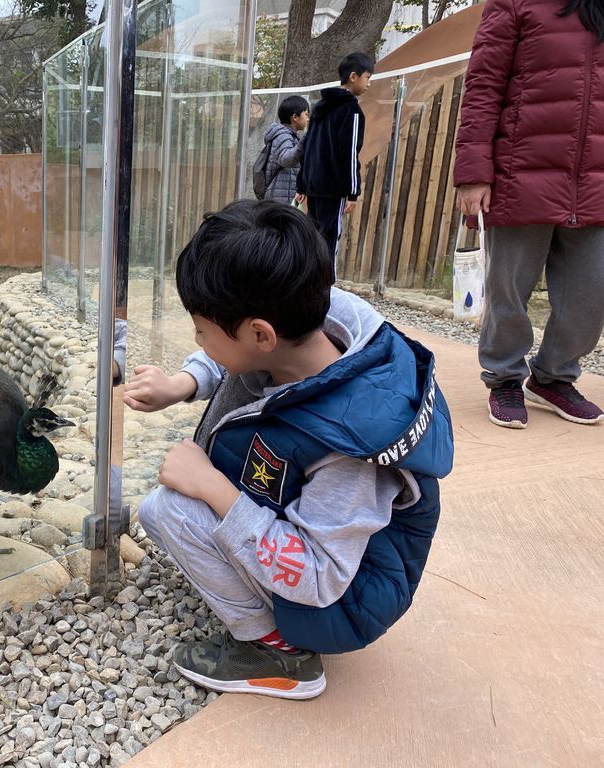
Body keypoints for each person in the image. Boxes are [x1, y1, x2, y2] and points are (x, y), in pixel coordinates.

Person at [123, 200, 453, 700]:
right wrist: (183, 383)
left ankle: (281, 654)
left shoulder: (347, 450)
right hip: (319, 536)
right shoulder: (318, 319)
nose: (198, 340)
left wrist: (213, 489)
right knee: (190, 495)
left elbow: (319, 577)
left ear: (260, 334)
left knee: (167, 509)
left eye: (201, 332)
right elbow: (234, 358)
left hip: (341, 598)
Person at [454, 0, 604, 428]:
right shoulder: (516, 3)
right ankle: (503, 378)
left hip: (595, 179)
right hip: (522, 170)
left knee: (591, 293)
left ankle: (553, 378)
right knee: (509, 289)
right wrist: (473, 172)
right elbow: (483, 85)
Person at [297, 52, 373, 260]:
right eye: (367, 77)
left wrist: (302, 185)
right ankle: (324, 286)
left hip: (313, 186)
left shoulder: (320, 108)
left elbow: (308, 148)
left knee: (313, 238)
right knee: (329, 240)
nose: (369, 83)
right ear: (354, 76)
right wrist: (352, 192)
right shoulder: (352, 110)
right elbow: (349, 152)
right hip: (333, 188)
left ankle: (309, 284)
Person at [253, 95, 310, 205]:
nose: (308, 118)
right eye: (306, 114)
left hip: (282, 196)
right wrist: (305, 140)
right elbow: (286, 159)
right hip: (280, 199)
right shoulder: (283, 136)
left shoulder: (288, 136)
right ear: (295, 117)